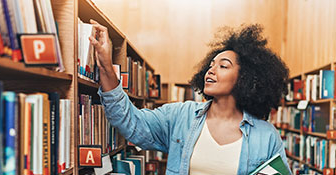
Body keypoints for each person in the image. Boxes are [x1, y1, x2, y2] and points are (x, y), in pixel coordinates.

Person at [89, 19, 291, 175]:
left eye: (223, 66)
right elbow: (130, 122)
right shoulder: (179, 116)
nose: (211, 70)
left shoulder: (266, 136)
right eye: (210, 65)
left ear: (245, 79)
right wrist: (106, 67)